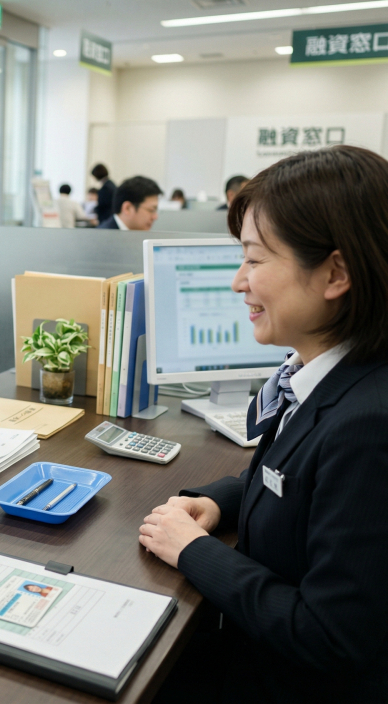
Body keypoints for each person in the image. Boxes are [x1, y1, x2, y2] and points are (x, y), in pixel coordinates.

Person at [140, 146, 388, 704]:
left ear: (336, 272)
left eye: (254, 259)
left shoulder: (369, 425)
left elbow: (329, 635)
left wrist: (193, 551)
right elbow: (300, 484)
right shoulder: (326, 374)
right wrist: (224, 500)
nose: (238, 282)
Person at [96, 176, 161, 230]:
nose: (155, 217)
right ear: (127, 208)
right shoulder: (102, 240)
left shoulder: (137, 235)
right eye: (151, 210)